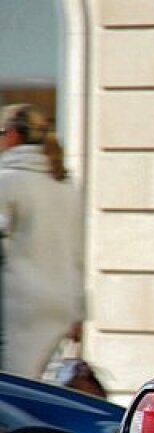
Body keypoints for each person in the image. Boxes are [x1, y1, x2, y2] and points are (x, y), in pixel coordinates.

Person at [0, 103, 84, 379]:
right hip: (60, 302)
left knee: (14, 390)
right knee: (40, 387)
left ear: (12, 134)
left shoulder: (8, 179)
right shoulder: (63, 182)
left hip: (19, 303)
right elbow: (76, 253)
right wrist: (79, 310)